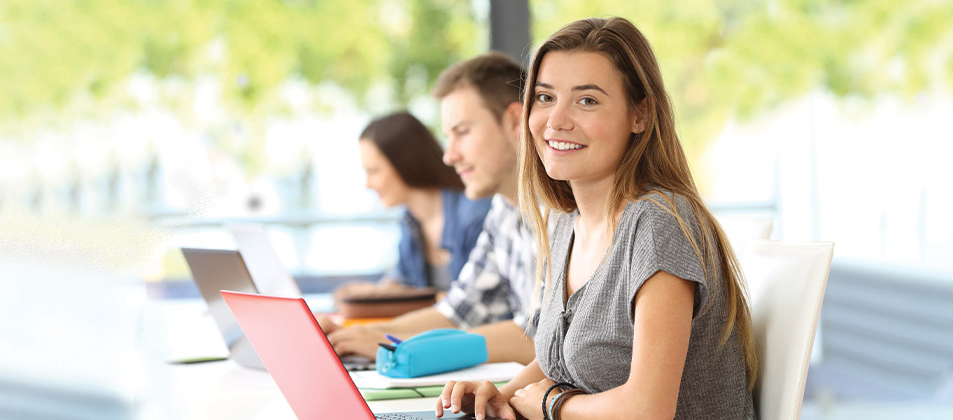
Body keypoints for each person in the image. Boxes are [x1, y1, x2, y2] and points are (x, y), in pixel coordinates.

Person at [436, 17, 759, 420]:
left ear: (639, 115)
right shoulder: (564, 224)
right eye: (545, 97)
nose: (556, 120)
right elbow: (561, 357)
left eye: (587, 100)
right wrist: (502, 395)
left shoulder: (659, 224)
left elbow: (648, 409)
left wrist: (551, 405)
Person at [322, 52, 539, 365]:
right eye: (447, 136)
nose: (449, 156)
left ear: (515, 121)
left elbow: (545, 338)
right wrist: (370, 334)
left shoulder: (567, 212)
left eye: (462, 132)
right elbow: (457, 313)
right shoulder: (502, 213)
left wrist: (399, 346)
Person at [355, 111, 491, 292]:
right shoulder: (410, 221)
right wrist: (367, 294)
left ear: (405, 163)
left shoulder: (475, 214)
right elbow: (402, 280)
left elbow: (472, 302)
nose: (367, 184)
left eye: (373, 171)